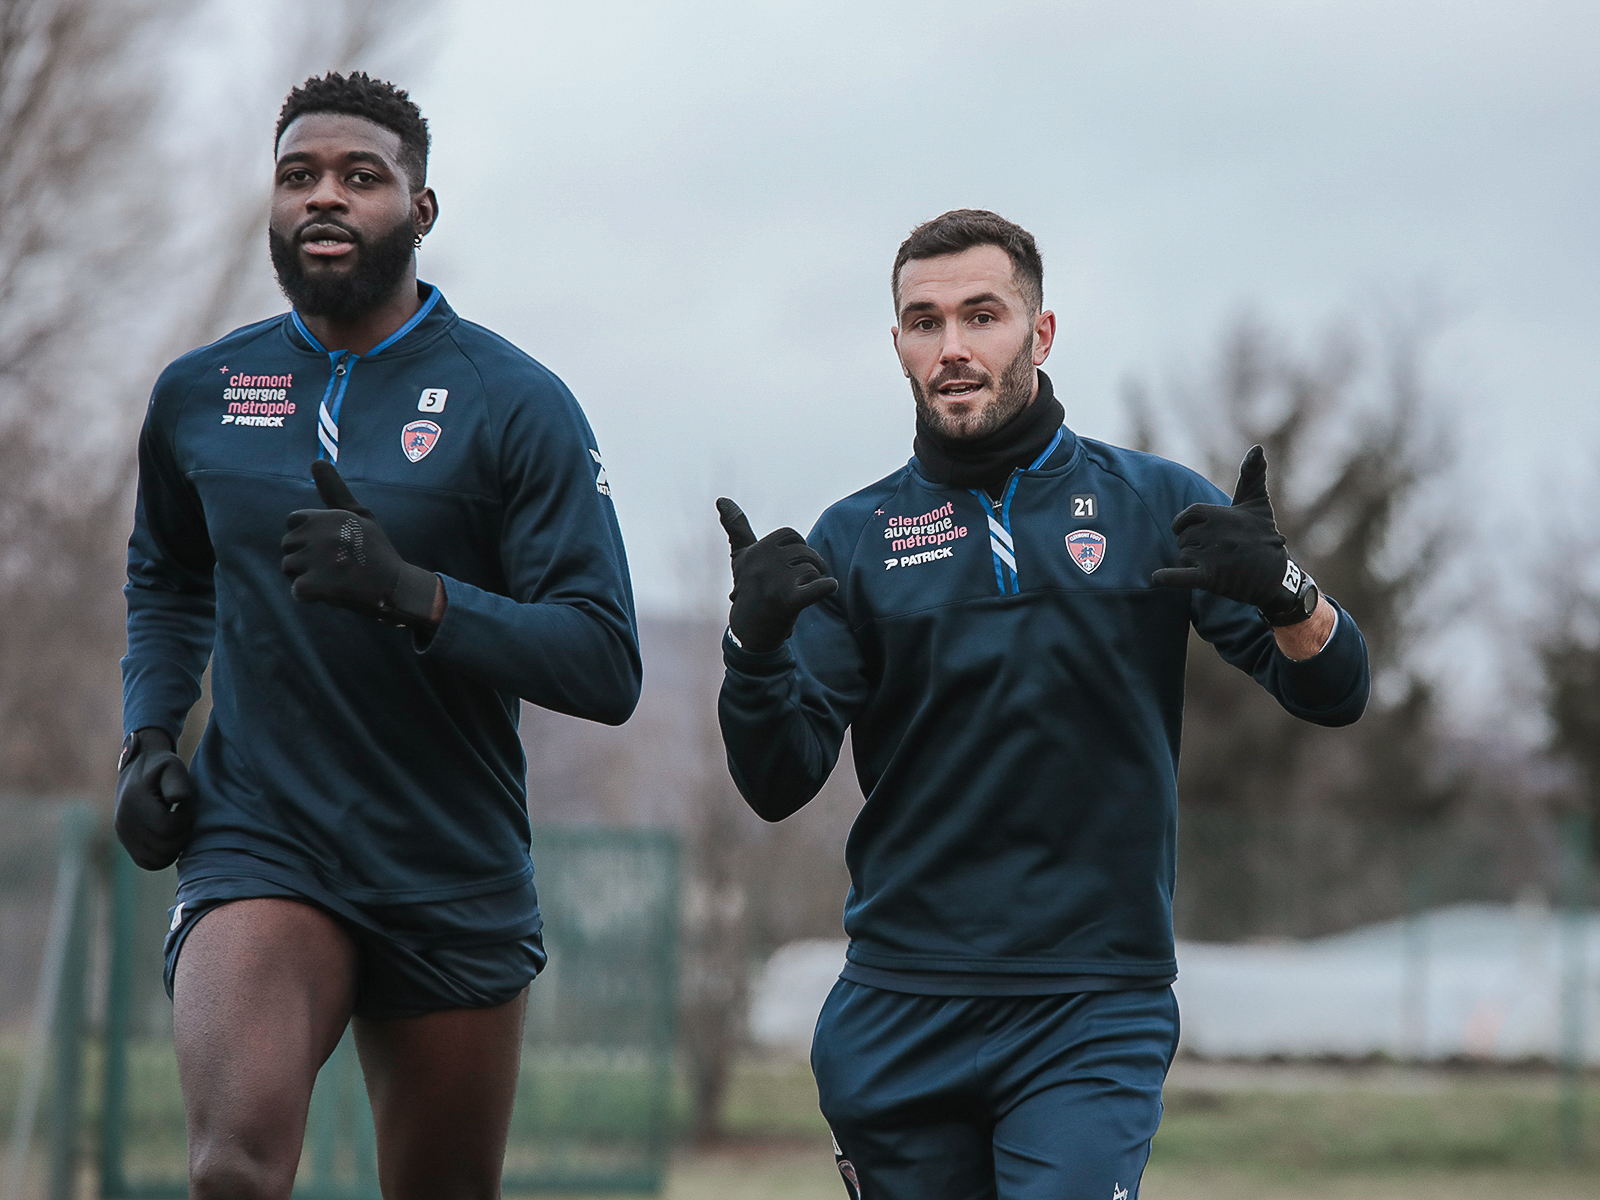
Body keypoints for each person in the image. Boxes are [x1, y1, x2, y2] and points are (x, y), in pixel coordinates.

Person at [715, 209, 1369, 1200]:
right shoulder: (853, 540)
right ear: (896, 344)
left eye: (982, 315)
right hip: (898, 1012)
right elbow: (775, 780)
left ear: (1040, 332)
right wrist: (750, 650)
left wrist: (1286, 593)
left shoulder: (1150, 504)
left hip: (1091, 1007)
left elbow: (1336, 690)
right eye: (924, 322)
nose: (953, 347)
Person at [115, 72, 640, 1199]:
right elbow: (165, 576)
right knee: (231, 1171)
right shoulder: (202, 394)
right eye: (298, 175)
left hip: (449, 859)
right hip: (264, 833)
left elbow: (603, 662)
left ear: (421, 209)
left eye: (361, 177)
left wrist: (418, 595)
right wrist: (149, 735)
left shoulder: (514, 402)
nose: (325, 198)